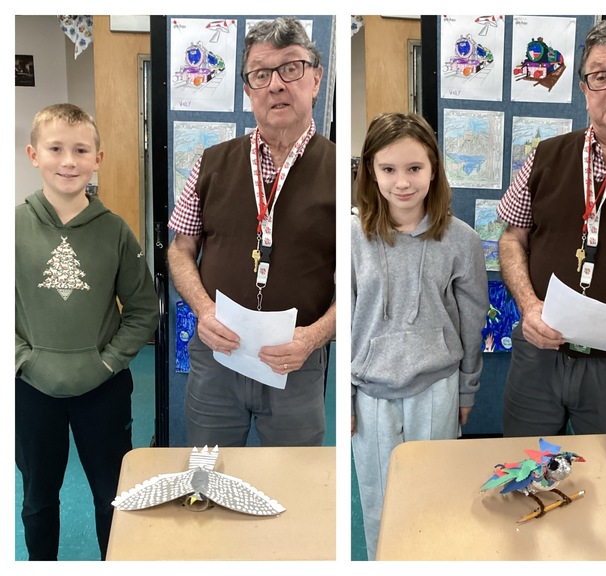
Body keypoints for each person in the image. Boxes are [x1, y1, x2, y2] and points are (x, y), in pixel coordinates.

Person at [496, 17, 606, 469]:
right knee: (524, 469)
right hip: (540, 354)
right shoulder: (546, 155)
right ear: (584, 87)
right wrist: (528, 306)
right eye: (600, 75)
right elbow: (511, 239)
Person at [167, 17, 336, 447]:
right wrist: (205, 312)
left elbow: (359, 280)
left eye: (291, 68)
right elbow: (180, 250)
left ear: (316, 79)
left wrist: (314, 337)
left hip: (295, 363)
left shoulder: (344, 175)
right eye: (261, 74)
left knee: (296, 486)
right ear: (248, 89)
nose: (276, 85)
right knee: (209, 478)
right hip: (218, 355)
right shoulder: (211, 163)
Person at [15, 103, 158, 560]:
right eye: (56, 149)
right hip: (32, 388)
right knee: (38, 499)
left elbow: (141, 310)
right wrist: (23, 359)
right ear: (33, 154)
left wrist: (107, 362)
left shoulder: (116, 232)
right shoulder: (12, 227)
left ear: (98, 159)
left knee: (111, 496)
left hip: (103, 389)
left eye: (81, 150)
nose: (69, 161)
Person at [351, 112, 488, 560]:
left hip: (436, 387)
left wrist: (467, 389)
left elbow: (472, 321)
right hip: (370, 393)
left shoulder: (461, 240)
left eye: (415, 168)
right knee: (379, 501)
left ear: (434, 169)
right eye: (388, 169)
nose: (402, 183)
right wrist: (345, 398)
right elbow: (347, 317)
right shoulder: (351, 236)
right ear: (371, 171)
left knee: (433, 498)